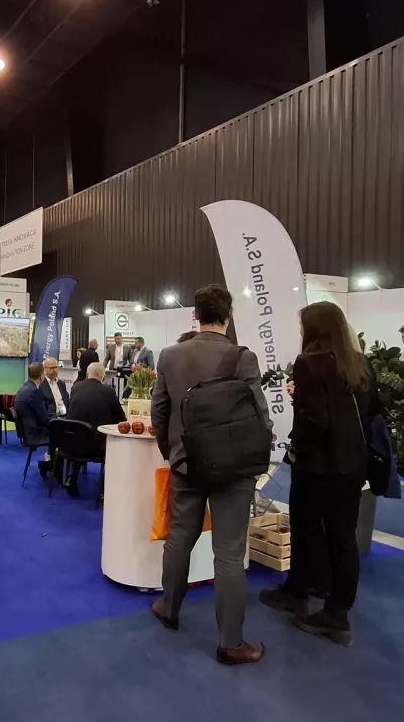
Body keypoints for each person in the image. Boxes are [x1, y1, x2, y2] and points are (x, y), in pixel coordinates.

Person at [149, 284, 269, 665]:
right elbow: (260, 416)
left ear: (196, 315)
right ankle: (231, 643)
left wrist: (173, 453)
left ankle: (169, 608)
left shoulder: (170, 356)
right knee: (229, 553)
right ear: (229, 315)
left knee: (179, 537)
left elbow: (159, 412)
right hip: (234, 468)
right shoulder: (243, 358)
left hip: (187, 464)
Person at [259, 302, 376, 647]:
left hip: (319, 466)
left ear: (314, 328)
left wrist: (295, 449)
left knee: (307, 529)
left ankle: (301, 592)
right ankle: (336, 609)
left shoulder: (309, 363)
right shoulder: (358, 363)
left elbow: (314, 420)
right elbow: (369, 412)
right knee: (343, 536)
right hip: (353, 465)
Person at [64, 362, 126, 496]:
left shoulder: (75, 388)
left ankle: (71, 477)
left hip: (71, 441)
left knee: (81, 436)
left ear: (87, 374)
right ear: (103, 376)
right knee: (113, 446)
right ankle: (104, 488)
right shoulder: (109, 392)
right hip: (97, 445)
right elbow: (120, 419)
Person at [14, 362, 49, 447]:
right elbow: (44, 417)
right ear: (41, 375)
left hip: (27, 431)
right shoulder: (34, 391)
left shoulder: (25, 387)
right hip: (35, 434)